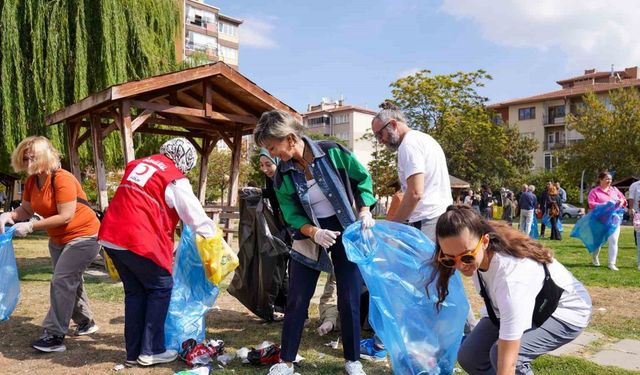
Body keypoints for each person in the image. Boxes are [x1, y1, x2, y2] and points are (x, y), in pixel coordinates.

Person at [254, 110, 376, 375]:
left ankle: (352, 360)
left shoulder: (333, 152)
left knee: (349, 295)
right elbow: (290, 214)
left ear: (289, 139)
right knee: (298, 296)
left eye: (273, 148)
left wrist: (365, 210)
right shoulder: (282, 175)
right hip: (309, 234)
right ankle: (286, 361)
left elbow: (362, 179)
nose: (273, 155)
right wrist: (313, 232)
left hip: (345, 229)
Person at [98, 138, 218, 367]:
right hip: (137, 238)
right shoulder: (174, 178)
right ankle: (152, 350)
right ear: (184, 161)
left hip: (111, 235)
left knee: (135, 292)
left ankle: (133, 353)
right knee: (160, 287)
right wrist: (213, 237)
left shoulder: (137, 165)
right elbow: (194, 215)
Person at [432, 206, 592, 375]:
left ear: (485, 242)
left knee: (501, 355)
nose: (460, 265)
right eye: (449, 260)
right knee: (470, 356)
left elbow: (508, 365)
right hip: (525, 305)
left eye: (466, 257)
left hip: (566, 311)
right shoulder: (476, 254)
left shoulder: (511, 279)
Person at [371, 105, 478, 353]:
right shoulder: (425, 139)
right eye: (377, 136)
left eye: (381, 134)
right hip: (438, 216)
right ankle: (467, 333)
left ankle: (422, 339)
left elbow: (416, 192)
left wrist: (393, 227)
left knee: (426, 282)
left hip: (428, 221)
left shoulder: (409, 146)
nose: (380, 140)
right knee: (442, 278)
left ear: (394, 124)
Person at [0, 136, 100, 353]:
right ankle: (86, 322)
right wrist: (9, 215)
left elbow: (66, 216)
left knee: (62, 281)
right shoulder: (31, 181)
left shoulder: (62, 178)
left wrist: (31, 227)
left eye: (32, 157)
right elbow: (25, 210)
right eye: (25, 158)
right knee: (71, 281)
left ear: (45, 156)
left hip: (85, 236)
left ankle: (54, 335)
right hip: (58, 240)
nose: (28, 162)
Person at [587, 171, 627, 271]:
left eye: (610, 179)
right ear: (600, 180)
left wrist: (621, 201)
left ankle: (611, 263)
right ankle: (595, 257)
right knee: (598, 242)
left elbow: (624, 200)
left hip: (614, 219)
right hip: (599, 219)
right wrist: (605, 204)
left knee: (613, 241)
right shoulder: (594, 191)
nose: (609, 181)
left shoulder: (615, 190)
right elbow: (591, 203)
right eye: (606, 179)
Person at [628, 178, 640, 270]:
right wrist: (631, 209)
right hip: (638, 214)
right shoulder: (635, 185)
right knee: (638, 239)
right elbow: (631, 198)